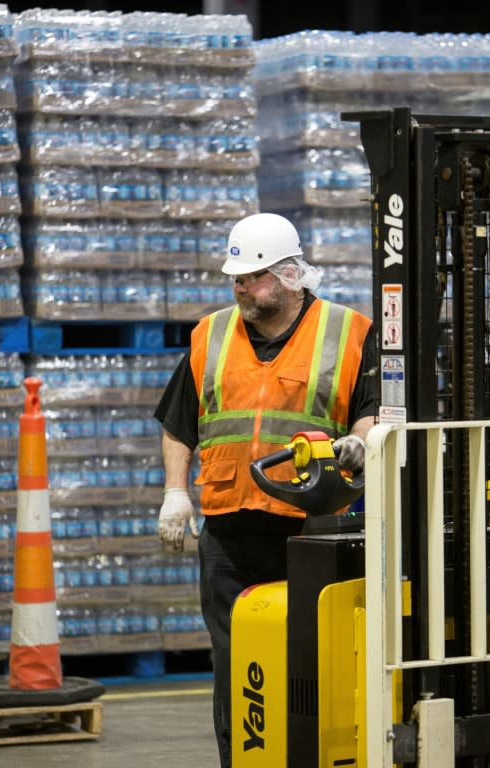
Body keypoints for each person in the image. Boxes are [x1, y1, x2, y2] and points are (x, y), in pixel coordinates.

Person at [153, 211, 377, 768]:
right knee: (236, 668)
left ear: (289, 275)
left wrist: (360, 442)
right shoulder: (211, 334)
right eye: (235, 278)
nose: (239, 287)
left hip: (311, 531)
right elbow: (181, 421)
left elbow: (376, 410)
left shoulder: (349, 332)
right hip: (228, 533)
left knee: (311, 662)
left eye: (251, 277)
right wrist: (175, 492)